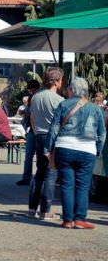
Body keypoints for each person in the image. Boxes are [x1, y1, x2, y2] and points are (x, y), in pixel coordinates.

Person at [45, 77, 106, 229]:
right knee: (83, 185)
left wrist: (48, 148)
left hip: (64, 147)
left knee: (66, 185)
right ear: (85, 92)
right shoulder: (95, 108)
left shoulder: (63, 104)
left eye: (69, 89)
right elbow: (102, 133)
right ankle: (80, 219)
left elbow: (53, 128)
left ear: (72, 90)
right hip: (87, 150)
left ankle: (67, 220)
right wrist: (97, 150)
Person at [29, 66, 64, 219]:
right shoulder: (59, 100)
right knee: (51, 174)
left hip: (39, 134)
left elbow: (31, 117)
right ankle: (45, 209)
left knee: (39, 173)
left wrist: (36, 131)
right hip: (52, 136)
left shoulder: (36, 96)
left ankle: (32, 208)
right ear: (57, 81)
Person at [16, 79, 41, 186]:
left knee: (29, 156)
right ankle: (40, 178)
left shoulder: (33, 98)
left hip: (33, 130)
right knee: (41, 156)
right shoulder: (42, 96)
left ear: (31, 89)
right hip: (42, 130)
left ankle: (27, 178)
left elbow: (29, 113)